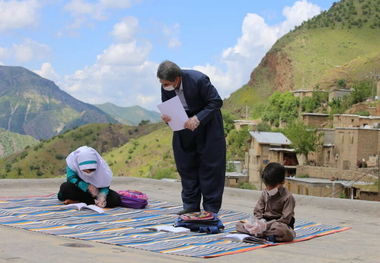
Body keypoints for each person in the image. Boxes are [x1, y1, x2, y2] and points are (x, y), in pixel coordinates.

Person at [157, 60, 226, 215]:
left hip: (206, 125)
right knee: (186, 166)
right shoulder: (165, 86)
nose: (164, 86)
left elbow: (216, 101)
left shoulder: (198, 80)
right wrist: (167, 119)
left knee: (210, 167)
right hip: (183, 127)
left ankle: (211, 208)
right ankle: (190, 205)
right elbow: (168, 106)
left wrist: (198, 118)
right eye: (161, 83)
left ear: (177, 78)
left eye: (167, 83)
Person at [236, 162, 296, 242]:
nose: (268, 188)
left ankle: (261, 234)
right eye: (267, 185)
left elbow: (285, 220)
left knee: (281, 230)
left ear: (282, 182)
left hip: (278, 224)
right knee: (239, 225)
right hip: (263, 222)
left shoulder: (288, 197)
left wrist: (266, 226)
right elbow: (258, 211)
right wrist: (258, 223)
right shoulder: (265, 193)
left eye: (272, 186)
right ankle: (265, 235)